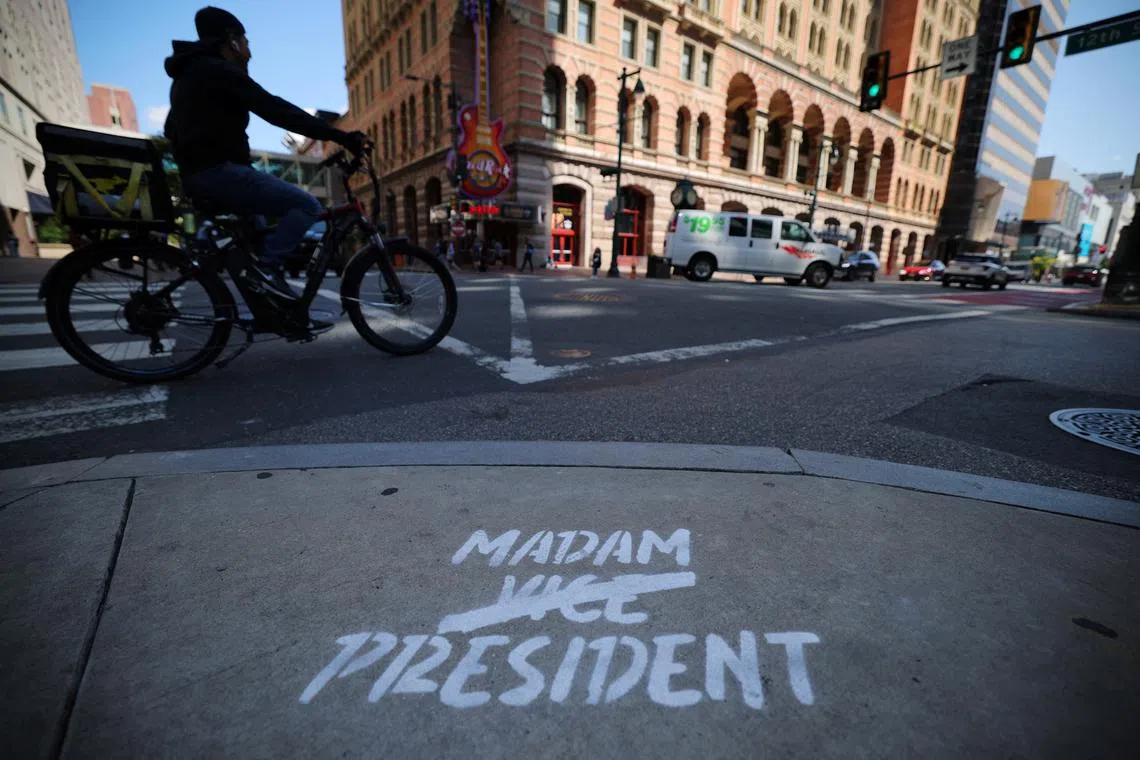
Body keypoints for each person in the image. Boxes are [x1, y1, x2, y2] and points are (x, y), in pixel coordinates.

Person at [163, 7, 366, 301]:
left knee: (256, 238)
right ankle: (266, 275)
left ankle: (271, 308)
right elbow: (273, 108)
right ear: (232, 40)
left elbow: (172, 129)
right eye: (246, 41)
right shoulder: (216, 70)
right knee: (307, 206)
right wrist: (340, 136)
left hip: (206, 172)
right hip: (218, 172)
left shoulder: (189, 75)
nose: (249, 50)